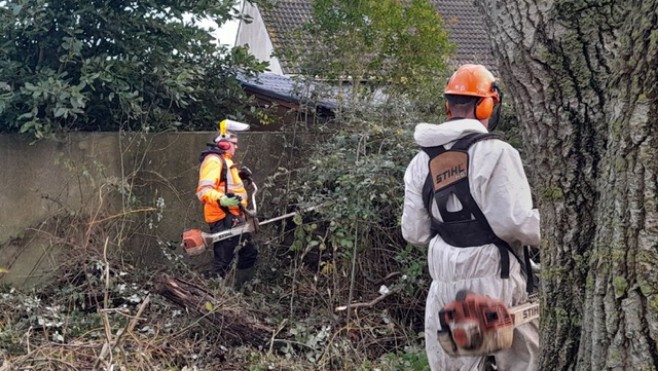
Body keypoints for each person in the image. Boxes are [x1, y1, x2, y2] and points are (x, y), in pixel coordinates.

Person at [401, 64, 540, 371]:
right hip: (492, 283)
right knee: (516, 362)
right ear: (488, 103)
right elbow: (516, 223)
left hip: (444, 283)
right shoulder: (498, 153)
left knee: (460, 365)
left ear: (448, 106)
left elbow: (415, 233)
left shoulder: (420, 160)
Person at [196, 119, 258, 287]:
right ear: (223, 144)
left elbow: (224, 181)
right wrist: (222, 199)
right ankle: (214, 293)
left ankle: (238, 289)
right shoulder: (213, 161)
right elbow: (204, 190)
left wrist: (239, 175)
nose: (236, 147)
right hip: (223, 217)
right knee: (223, 261)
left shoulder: (224, 160)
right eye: (234, 143)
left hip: (233, 216)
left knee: (247, 253)